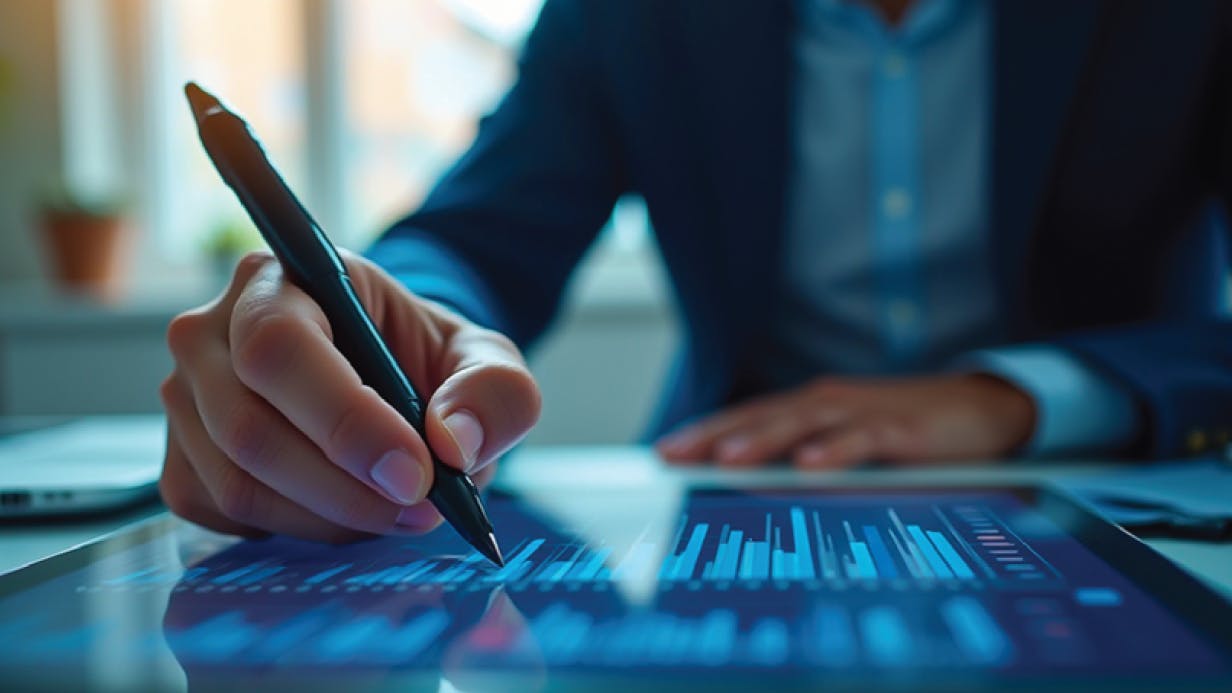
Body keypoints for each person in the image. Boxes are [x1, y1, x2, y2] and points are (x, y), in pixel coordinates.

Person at [159, 0, 1232, 542]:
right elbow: (478, 235)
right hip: (728, 498)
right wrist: (395, 326)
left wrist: (1016, 399)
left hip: (1118, 490)